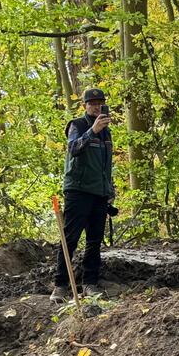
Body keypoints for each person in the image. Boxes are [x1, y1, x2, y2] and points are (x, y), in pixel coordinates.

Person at [51, 88, 115, 304]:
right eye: (92, 103)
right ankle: (60, 285)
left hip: (99, 192)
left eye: (100, 103)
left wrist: (109, 191)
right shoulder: (76, 125)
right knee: (70, 238)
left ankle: (90, 283)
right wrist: (92, 131)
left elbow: (106, 165)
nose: (97, 107)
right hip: (78, 190)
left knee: (95, 240)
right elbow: (73, 149)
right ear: (85, 105)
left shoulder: (107, 133)